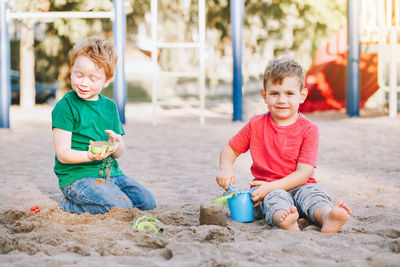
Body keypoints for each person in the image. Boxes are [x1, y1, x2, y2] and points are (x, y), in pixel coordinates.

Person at [216, 57, 351, 232]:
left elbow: (304, 174)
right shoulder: (255, 125)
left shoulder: (309, 129)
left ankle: (328, 217)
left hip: (301, 185)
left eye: (289, 93)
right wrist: (226, 167)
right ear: (264, 95)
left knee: (314, 195)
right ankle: (285, 221)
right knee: (275, 200)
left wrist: (271, 186)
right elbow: (230, 149)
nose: (281, 100)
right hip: (267, 189)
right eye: (274, 93)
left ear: (302, 96)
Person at [52, 37, 156, 215]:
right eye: (79, 75)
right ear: (71, 72)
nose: (84, 83)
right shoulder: (66, 106)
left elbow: (118, 153)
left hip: (111, 174)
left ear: (107, 80)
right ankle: (68, 204)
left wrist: (116, 144)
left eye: (93, 78)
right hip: (78, 178)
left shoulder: (110, 107)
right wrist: (89, 156)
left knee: (147, 202)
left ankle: (103, 198)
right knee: (121, 208)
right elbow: (62, 154)